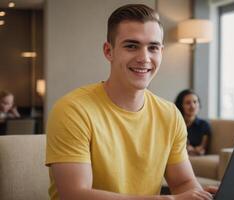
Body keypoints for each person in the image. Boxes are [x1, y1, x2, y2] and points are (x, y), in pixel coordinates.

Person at [46, 4, 217, 200]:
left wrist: (200, 196)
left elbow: (182, 183)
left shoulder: (170, 114)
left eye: (153, 48)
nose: (144, 58)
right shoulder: (72, 110)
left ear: (161, 52)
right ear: (108, 51)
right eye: (131, 46)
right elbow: (75, 195)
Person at [175, 90, 211, 156]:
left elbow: (202, 149)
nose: (193, 106)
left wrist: (192, 149)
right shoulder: (175, 124)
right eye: (188, 103)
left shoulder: (204, 125)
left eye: (195, 102)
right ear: (181, 105)